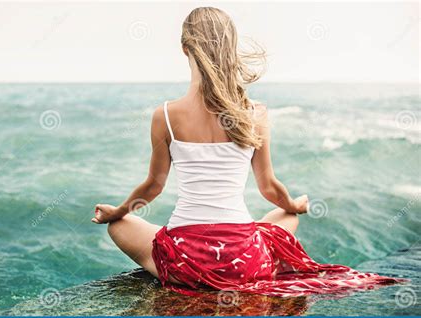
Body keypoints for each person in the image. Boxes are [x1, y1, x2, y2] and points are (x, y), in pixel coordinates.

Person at [92, 7, 406, 297]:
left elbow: (153, 187)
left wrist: (116, 212)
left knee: (121, 226)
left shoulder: (166, 115)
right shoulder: (254, 113)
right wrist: (294, 204)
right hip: (246, 262)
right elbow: (269, 187)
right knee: (284, 216)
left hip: (186, 262)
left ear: (185, 48)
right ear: (231, 48)